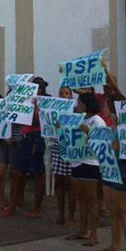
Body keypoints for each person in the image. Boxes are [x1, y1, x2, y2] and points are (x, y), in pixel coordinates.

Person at [66, 92, 105, 247]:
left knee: (92, 199)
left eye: (79, 102)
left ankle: (93, 233)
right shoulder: (80, 118)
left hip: (90, 162)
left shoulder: (97, 120)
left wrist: (85, 129)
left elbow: (100, 139)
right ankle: (83, 229)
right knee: (81, 198)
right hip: (77, 161)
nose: (77, 105)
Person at [13, 76, 48, 219]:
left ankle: (36, 208)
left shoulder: (46, 102)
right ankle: (14, 203)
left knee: (38, 173)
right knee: (18, 171)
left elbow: (36, 121)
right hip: (26, 136)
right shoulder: (26, 100)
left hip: (38, 137)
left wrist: (34, 107)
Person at [51, 86, 76, 226]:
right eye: (61, 93)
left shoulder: (75, 110)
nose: (63, 95)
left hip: (70, 148)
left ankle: (71, 216)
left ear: (70, 96)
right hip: (57, 145)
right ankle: (60, 214)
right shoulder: (54, 109)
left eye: (66, 93)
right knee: (59, 182)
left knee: (70, 183)